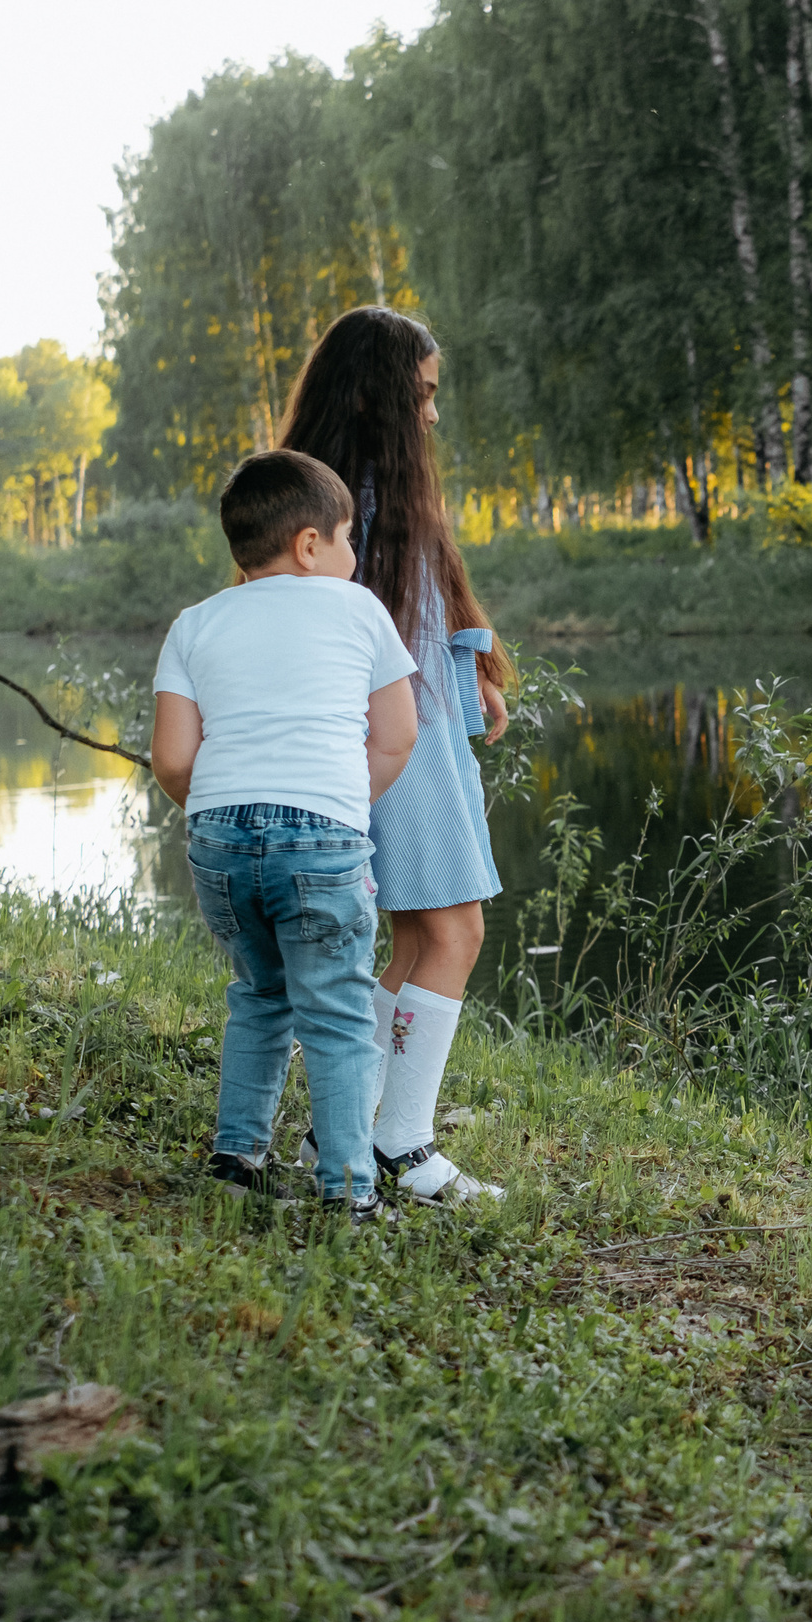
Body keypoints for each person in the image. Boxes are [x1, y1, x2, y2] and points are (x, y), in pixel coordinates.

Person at [279, 307, 510, 1207]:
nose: (433, 413)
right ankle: (402, 1142)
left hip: (411, 724)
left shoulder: (343, 492)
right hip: (393, 735)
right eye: (422, 393)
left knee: (422, 932)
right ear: (382, 393)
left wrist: (474, 670)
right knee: (454, 930)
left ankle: (346, 1126)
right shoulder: (348, 503)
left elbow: (420, 601)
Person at [153, 450, 419, 1222]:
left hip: (220, 840)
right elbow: (398, 736)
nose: (353, 556)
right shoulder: (359, 608)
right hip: (323, 841)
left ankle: (236, 1158)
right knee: (336, 1012)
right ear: (310, 545)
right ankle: (346, 1189)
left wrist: (219, 818)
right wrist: (335, 807)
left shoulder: (194, 623)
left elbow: (173, 758)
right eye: (347, 539)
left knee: (260, 993)